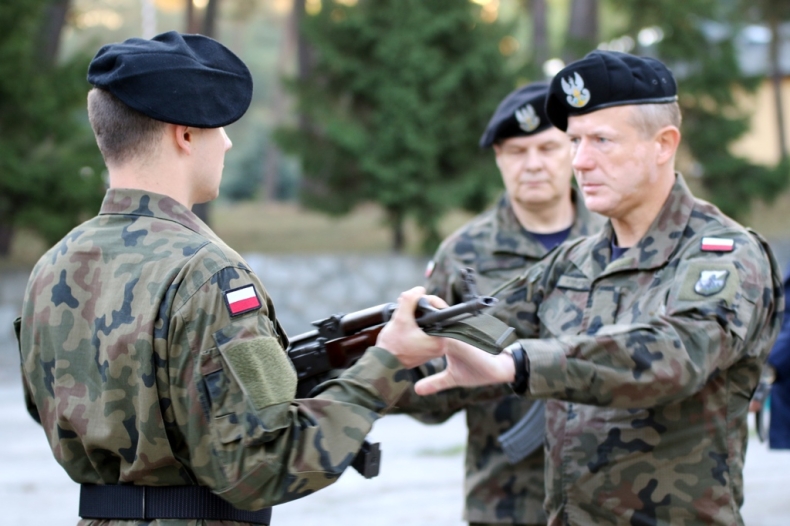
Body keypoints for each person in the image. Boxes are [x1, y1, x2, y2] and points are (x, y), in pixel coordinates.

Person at [15, 31, 447, 525]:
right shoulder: (206, 274)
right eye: (219, 126)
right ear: (185, 134)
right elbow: (257, 468)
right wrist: (387, 363)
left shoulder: (52, 267)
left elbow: (51, 411)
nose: (227, 141)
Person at [413, 50, 784, 525]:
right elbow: (479, 331)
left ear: (663, 144)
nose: (581, 161)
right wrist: (394, 347)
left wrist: (521, 363)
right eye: (575, 141)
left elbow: (677, 353)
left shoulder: (722, 253)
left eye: (602, 141)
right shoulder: (572, 261)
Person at [396, 82, 603, 526]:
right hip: (506, 499)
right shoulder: (464, 253)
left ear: (572, 150)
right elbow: (433, 379)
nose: (532, 164)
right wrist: (389, 378)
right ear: (498, 159)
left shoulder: (615, 238)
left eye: (547, 147)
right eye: (515, 151)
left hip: (610, 495)